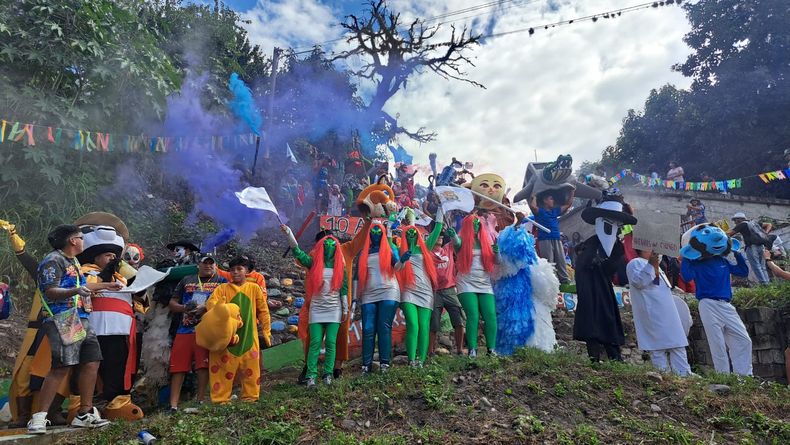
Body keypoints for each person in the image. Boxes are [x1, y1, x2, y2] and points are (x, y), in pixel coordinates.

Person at [28, 225, 119, 434]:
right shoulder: (53, 260)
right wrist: (76, 290)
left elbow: (84, 285)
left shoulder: (74, 261)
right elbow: (50, 291)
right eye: (81, 237)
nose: (83, 241)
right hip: (64, 317)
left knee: (92, 361)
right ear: (72, 241)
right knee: (62, 366)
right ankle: (39, 417)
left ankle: (85, 413)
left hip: (82, 316)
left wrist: (106, 286)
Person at [77, 226, 143, 420]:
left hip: (120, 329)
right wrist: (105, 275)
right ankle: (85, 405)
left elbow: (141, 304)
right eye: (107, 255)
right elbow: (86, 288)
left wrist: (139, 287)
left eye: (114, 256)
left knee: (117, 366)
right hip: (93, 328)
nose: (112, 259)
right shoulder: (85, 271)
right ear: (96, 257)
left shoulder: (124, 278)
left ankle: (116, 404)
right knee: (91, 366)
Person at [680, 224, 751, 375]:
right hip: (707, 303)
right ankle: (723, 376)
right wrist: (686, 256)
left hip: (726, 304)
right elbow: (686, 276)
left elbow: (743, 271)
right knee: (717, 343)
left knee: (744, 339)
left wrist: (736, 252)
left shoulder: (722, 261)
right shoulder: (697, 263)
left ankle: (744, 376)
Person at [573, 196, 637, 363]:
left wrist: (604, 261)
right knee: (590, 321)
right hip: (589, 289)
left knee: (608, 320)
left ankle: (615, 358)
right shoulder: (590, 244)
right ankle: (594, 359)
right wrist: (590, 260)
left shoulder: (617, 247)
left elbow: (611, 269)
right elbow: (581, 267)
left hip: (604, 290)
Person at [282, 227, 348, 388]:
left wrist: (345, 309)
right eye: (326, 245)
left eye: (333, 245)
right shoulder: (313, 263)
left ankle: (328, 374)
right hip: (317, 309)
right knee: (315, 342)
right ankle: (311, 375)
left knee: (331, 342)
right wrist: (290, 234)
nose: (330, 247)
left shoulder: (341, 267)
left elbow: (344, 290)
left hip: (334, 309)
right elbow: (298, 252)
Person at [204, 256, 271, 403]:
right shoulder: (222, 289)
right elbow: (211, 304)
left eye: (239, 269)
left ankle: (251, 397)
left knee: (251, 367)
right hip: (227, 338)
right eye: (232, 270)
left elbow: (263, 311)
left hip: (248, 335)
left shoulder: (254, 288)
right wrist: (223, 309)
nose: (235, 272)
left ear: (247, 271)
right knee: (222, 367)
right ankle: (221, 399)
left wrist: (266, 331)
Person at [168, 256, 225, 411]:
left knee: (203, 365)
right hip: (184, 328)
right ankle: (173, 405)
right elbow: (172, 302)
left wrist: (205, 308)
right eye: (204, 263)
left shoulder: (221, 281)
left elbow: (225, 303)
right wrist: (184, 308)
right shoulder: (187, 280)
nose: (208, 266)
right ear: (198, 265)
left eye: (211, 263)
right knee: (178, 366)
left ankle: (200, 400)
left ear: (216, 265)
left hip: (207, 329)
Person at [626, 250, 692, 376]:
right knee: (657, 348)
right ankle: (664, 376)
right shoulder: (635, 263)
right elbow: (639, 282)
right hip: (653, 311)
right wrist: (651, 264)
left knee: (677, 345)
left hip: (668, 311)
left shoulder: (657, 266)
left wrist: (654, 264)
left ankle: (684, 375)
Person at [357, 222, 404, 373]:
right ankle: (366, 365)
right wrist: (353, 299)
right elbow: (356, 276)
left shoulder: (391, 249)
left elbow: (397, 267)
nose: (376, 233)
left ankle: (384, 363)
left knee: (384, 327)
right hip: (368, 292)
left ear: (383, 233)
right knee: (368, 328)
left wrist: (403, 260)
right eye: (373, 231)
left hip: (389, 290)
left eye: (379, 231)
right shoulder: (364, 251)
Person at [450, 213, 498, 358]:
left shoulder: (487, 241)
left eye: (478, 224)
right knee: (473, 315)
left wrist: (497, 253)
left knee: (490, 316)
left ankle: (491, 349)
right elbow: (457, 245)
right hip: (466, 282)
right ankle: (472, 349)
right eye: (473, 224)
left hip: (484, 282)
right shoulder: (462, 241)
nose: (476, 226)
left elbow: (497, 261)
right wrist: (452, 235)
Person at [398, 218, 442, 367]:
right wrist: (402, 260)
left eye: (414, 232)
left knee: (424, 325)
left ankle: (421, 361)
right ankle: (411, 360)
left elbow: (437, 230)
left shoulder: (425, 248)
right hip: (408, 290)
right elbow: (396, 269)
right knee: (412, 324)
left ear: (418, 234)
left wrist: (441, 210)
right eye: (408, 233)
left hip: (425, 291)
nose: (411, 234)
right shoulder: (399, 250)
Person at [429, 229, 465, 356]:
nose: (440, 237)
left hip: (450, 290)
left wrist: (453, 234)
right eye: (437, 235)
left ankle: (460, 350)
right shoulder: (428, 252)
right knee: (433, 323)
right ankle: (430, 352)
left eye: (441, 235)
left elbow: (458, 243)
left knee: (458, 321)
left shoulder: (448, 248)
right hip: (435, 291)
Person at [529, 190, 574, 287]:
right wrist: (534, 196)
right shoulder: (540, 212)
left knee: (561, 260)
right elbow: (533, 207)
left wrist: (572, 192)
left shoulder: (555, 211)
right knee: (549, 262)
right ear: (545, 201)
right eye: (551, 199)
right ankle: (551, 284)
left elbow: (568, 204)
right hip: (545, 239)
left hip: (557, 238)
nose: (553, 201)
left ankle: (565, 282)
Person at [727, 213, 771, 284]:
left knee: (756, 266)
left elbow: (729, 234)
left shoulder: (742, 224)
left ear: (739, 219)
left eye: (735, 220)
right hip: (761, 246)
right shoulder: (753, 223)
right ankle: (767, 283)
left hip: (752, 247)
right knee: (762, 266)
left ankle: (764, 284)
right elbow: (769, 224)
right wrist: (766, 233)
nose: (735, 222)